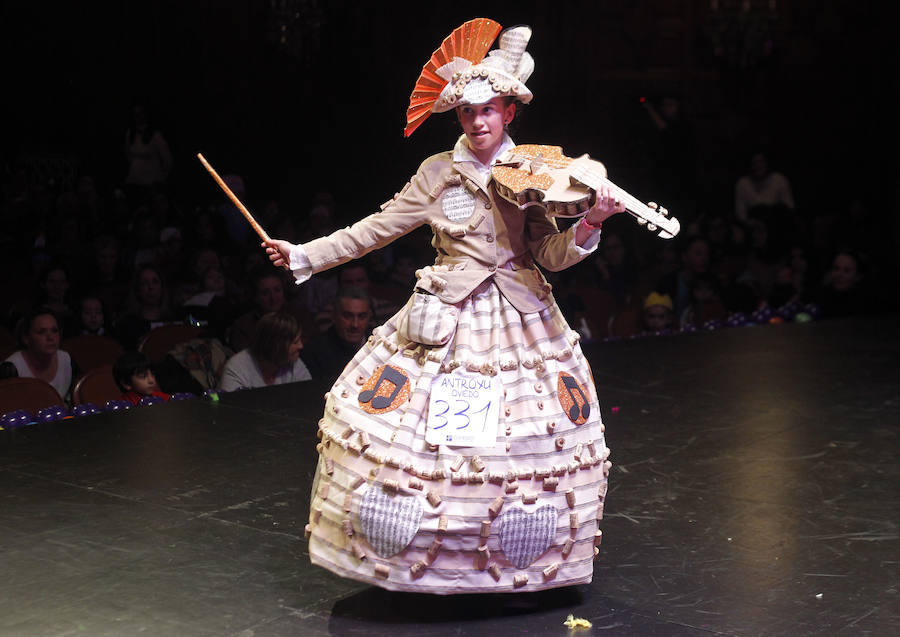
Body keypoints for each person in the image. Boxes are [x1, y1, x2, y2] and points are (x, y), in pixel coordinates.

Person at [262, 20, 626, 594]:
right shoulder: (437, 172)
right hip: (448, 315)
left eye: (489, 111)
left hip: (521, 317)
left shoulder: (533, 170)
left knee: (522, 440)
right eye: (467, 112)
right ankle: (424, 563)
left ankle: (513, 563)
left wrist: (591, 223)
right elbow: (378, 227)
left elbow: (549, 256)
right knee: (431, 442)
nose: (478, 122)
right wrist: (305, 253)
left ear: (509, 112)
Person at [218, 312, 311, 391]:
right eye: (295, 342)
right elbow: (232, 406)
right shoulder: (237, 369)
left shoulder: (294, 364)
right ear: (275, 345)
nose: (301, 346)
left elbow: (308, 396)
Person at [301, 286, 374, 384]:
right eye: (347, 316)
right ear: (334, 315)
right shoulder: (314, 352)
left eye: (362, 316)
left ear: (369, 316)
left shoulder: (380, 343)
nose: (355, 324)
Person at [4, 308, 77, 404]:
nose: (50, 337)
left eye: (54, 331)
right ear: (26, 338)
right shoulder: (11, 368)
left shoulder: (66, 359)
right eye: (41, 332)